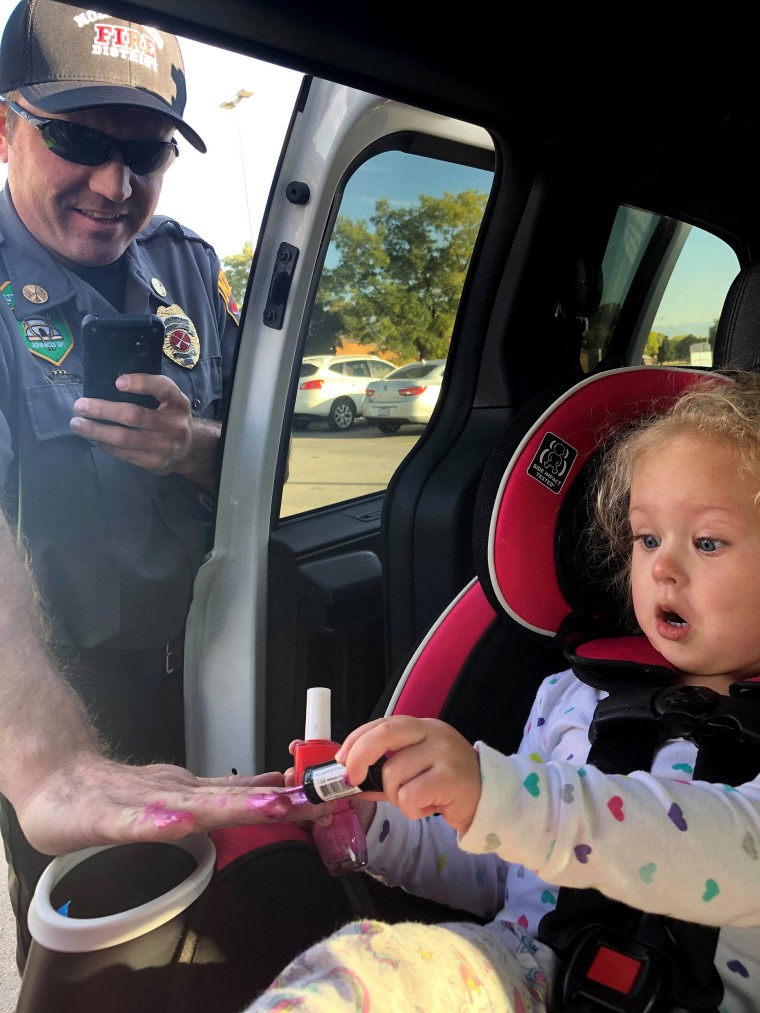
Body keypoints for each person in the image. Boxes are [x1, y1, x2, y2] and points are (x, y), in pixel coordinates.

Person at [249, 369, 760, 1011]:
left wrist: (501, 795)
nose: (661, 566)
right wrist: (369, 819)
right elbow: (502, 868)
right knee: (370, 971)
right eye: (647, 538)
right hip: (530, 971)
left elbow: (731, 853)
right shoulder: (574, 695)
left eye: (707, 542)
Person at [0, 0, 281, 971]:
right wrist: (41, 749)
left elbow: (259, 453)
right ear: (4, 126)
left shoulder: (189, 268)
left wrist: (189, 445)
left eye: (149, 151)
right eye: (78, 139)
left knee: (217, 945)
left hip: (214, 667)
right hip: (60, 696)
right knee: (97, 962)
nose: (114, 184)